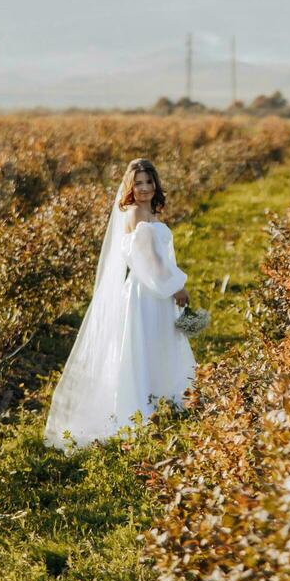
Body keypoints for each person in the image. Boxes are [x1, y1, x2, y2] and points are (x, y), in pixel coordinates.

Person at [43, 158, 196, 448]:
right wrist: (176, 287)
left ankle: (163, 400)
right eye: (138, 183)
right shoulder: (137, 212)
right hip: (148, 291)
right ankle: (143, 406)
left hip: (155, 290)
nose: (145, 188)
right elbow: (148, 260)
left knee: (157, 343)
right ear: (130, 186)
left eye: (149, 182)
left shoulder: (148, 211)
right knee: (146, 344)